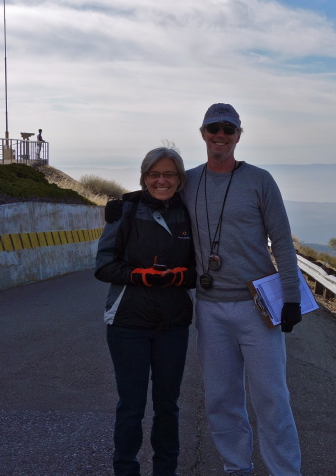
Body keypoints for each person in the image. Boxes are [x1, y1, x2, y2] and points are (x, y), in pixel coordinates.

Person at [183, 102, 303, 476]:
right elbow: (154, 194)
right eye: (214, 128)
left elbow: (281, 241)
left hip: (257, 307)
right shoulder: (188, 181)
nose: (221, 135)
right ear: (202, 133)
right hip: (209, 307)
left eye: (228, 129)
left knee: (272, 398)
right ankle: (236, 468)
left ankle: (285, 472)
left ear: (238, 135)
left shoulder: (259, 180)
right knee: (221, 399)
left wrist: (292, 298)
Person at [95, 147, 196, 476]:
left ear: (180, 179)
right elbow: (104, 266)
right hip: (128, 323)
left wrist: (183, 276)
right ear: (144, 177)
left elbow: (202, 269)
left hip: (174, 323)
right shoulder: (125, 210)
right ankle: (126, 471)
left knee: (168, 406)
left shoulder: (190, 212)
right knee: (132, 407)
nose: (162, 180)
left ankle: (165, 471)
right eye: (155, 174)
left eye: (169, 174)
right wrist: (140, 275)